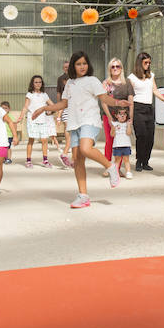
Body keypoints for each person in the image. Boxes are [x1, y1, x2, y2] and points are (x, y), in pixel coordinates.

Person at [33, 51, 129, 209]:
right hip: (74, 123)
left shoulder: (92, 80)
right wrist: (44, 108)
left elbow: (104, 97)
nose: (82, 66)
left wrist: (118, 103)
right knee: (77, 160)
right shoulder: (69, 83)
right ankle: (83, 196)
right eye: (78, 64)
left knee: (85, 149)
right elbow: (63, 104)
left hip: (89, 120)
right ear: (73, 66)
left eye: (84, 63)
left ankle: (111, 167)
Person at [127, 52, 164, 172]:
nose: (148, 64)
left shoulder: (151, 75)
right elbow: (129, 96)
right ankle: (139, 161)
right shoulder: (132, 77)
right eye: (145, 62)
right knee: (141, 135)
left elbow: (155, 90)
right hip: (137, 108)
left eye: (149, 62)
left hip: (149, 108)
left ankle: (146, 161)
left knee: (150, 137)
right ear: (139, 62)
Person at [16, 75, 59, 169]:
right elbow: (26, 107)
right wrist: (21, 117)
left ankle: (45, 160)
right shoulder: (29, 94)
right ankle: (28, 161)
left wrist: (52, 111)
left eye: (40, 82)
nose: (38, 84)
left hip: (43, 120)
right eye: (36, 82)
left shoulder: (44, 95)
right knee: (31, 140)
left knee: (44, 140)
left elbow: (52, 105)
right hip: (32, 120)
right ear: (32, 83)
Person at [102, 57, 134, 164]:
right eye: (113, 66)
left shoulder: (127, 82)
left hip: (123, 118)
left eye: (117, 66)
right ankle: (108, 166)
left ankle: (117, 168)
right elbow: (104, 102)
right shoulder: (106, 83)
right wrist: (110, 119)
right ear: (109, 69)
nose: (115, 68)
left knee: (120, 143)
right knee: (110, 141)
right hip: (109, 116)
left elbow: (131, 101)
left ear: (121, 68)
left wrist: (130, 118)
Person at [109, 107, 134, 179]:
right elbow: (112, 135)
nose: (122, 116)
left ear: (126, 115)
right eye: (120, 114)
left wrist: (129, 125)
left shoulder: (127, 123)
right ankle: (115, 173)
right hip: (117, 145)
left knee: (126, 160)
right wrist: (113, 128)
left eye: (124, 114)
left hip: (126, 145)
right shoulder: (114, 123)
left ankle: (128, 172)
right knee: (117, 160)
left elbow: (128, 133)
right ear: (116, 116)